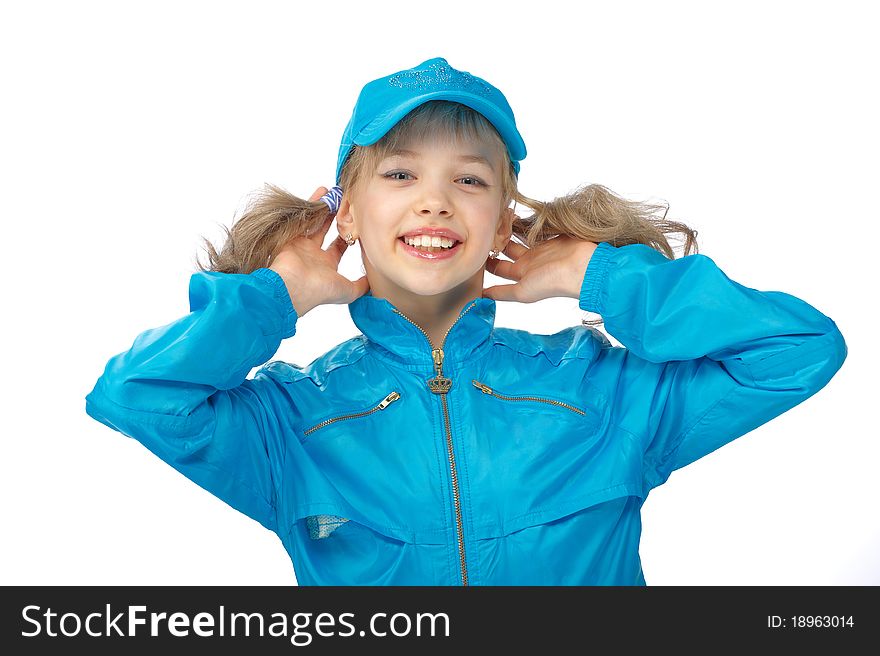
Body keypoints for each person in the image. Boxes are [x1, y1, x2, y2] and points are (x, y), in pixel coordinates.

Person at [84, 56, 847, 586]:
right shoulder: (291, 424)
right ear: (345, 212)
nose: (434, 200)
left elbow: (797, 350)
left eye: (470, 179)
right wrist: (273, 295)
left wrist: (600, 274)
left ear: (500, 217)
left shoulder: (603, 391)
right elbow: (137, 397)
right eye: (400, 172)